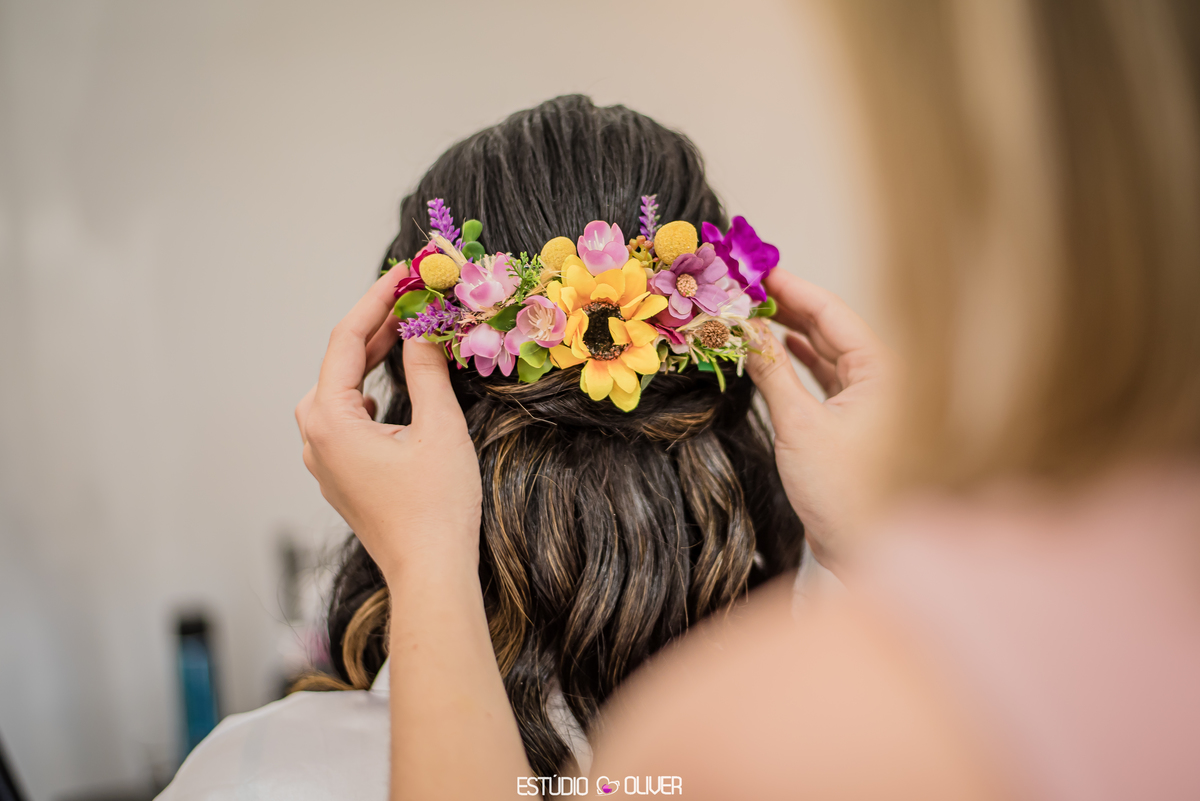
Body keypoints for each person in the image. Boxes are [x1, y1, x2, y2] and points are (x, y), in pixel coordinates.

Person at [293, 0, 1200, 799]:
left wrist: (427, 565)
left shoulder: (263, 775)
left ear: (415, 406)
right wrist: (885, 525)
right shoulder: (1093, 674)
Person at [156, 96, 805, 799]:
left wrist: (425, 554)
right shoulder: (852, 735)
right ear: (727, 375)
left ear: (412, 391)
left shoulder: (259, 776)